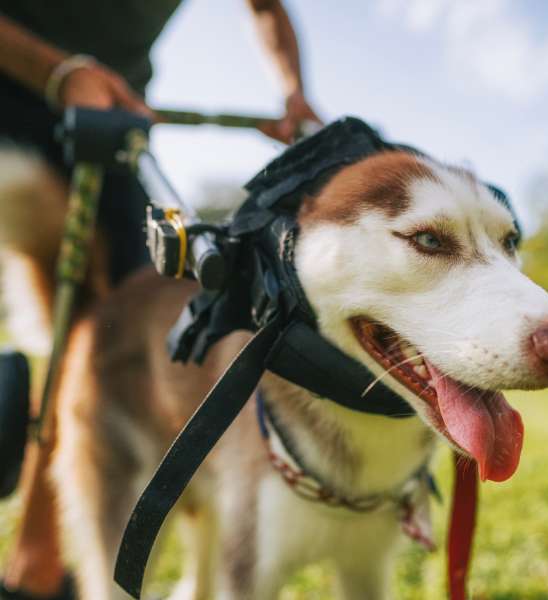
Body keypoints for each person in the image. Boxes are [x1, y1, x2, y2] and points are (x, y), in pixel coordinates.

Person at [0, 2, 320, 598]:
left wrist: (294, 93)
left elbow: (266, 8)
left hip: (113, 112)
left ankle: (39, 567)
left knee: (111, 332)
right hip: (14, 73)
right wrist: (58, 71)